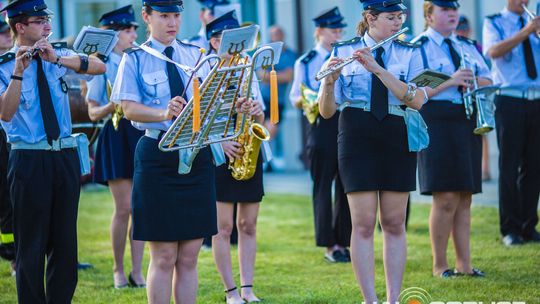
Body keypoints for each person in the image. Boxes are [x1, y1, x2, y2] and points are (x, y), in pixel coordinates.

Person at [111, 1, 252, 303]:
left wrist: (235, 106)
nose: (172, 22)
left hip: (197, 156)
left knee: (189, 256)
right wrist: (163, 112)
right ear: (147, 17)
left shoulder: (196, 54)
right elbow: (127, 108)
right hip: (157, 155)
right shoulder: (134, 59)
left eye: (176, 15)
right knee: (163, 256)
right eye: (164, 16)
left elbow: (215, 101)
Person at [318, 0, 427, 301]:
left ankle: (393, 298)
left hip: (396, 130)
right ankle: (370, 299)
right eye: (391, 17)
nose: (397, 22)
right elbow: (327, 112)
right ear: (370, 18)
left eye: (400, 17)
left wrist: (378, 70)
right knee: (363, 223)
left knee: (393, 222)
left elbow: (416, 100)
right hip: (356, 132)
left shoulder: (410, 51)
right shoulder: (342, 50)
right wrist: (328, 84)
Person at [0, 0, 106, 302]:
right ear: (20, 26)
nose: (47, 24)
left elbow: (99, 67)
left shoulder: (59, 54)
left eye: (48, 18)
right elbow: (6, 114)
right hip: (28, 158)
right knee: (31, 246)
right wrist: (19, 72)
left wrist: (58, 60)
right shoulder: (5, 67)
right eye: (39, 20)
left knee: (65, 244)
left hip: (63, 156)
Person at [414, 0, 493, 278]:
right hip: (436, 121)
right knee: (445, 196)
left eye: (454, 10)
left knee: (464, 196)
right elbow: (413, 89)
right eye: (445, 10)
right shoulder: (418, 47)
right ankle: (440, 265)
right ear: (429, 15)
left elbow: (489, 78)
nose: (452, 14)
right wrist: (450, 80)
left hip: (465, 119)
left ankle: (465, 264)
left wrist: (473, 81)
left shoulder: (466, 46)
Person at [205, 11, 265, 304]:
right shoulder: (205, 70)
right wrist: (221, 141)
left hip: (247, 148)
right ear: (215, 42)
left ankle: (248, 288)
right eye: (231, 40)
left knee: (248, 225)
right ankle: (230, 291)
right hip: (219, 153)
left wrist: (255, 111)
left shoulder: (246, 67)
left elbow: (262, 115)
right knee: (223, 227)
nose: (239, 46)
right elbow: (198, 118)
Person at [85, 5, 146, 289]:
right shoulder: (101, 65)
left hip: (138, 133)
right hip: (116, 133)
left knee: (141, 206)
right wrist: (115, 103)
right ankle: (118, 269)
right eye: (126, 29)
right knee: (123, 208)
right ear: (112, 33)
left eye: (134, 28)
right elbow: (93, 113)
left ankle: (138, 270)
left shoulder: (139, 59)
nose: (133, 34)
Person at [289, 6, 351, 263]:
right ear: (319, 31)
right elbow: (295, 97)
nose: (338, 34)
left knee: (347, 186)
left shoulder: (347, 56)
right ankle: (328, 245)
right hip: (320, 125)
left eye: (340, 29)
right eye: (333, 30)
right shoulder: (306, 61)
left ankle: (344, 242)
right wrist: (310, 100)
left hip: (345, 122)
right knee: (323, 185)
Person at [483, 0, 540, 246]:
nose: (524, 1)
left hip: (536, 100)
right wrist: (526, 31)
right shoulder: (494, 21)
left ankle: (529, 225)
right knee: (509, 165)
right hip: (510, 100)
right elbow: (493, 52)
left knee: (534, 166)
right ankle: (510, 228)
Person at [456, 14, 492, 182]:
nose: (462, 33)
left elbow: (486, 71)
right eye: (460, 30)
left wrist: (473, 81)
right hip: (458, 96)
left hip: (475, 94)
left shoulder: (474, 47)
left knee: (482, 134)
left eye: (465, 30)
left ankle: (484, 169)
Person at [257, 25, 297, 170]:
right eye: (273, 34)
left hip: (278, 100)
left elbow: (289, 76)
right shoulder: (265, 52)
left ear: (283, 35)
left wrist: (270, 76)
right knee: (261, 129)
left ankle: (267, 160)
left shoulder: (290, 54)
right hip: (262, 98)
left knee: (271, 130)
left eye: (278, 34)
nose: (275, 37)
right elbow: (260, 74)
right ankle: (264, 160)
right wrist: (276, 75)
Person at [0, 19, 16, 277]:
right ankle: (10, 252)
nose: (7, 37)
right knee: (4, 198)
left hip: (12, 139)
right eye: (3, 34)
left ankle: (17, 257)